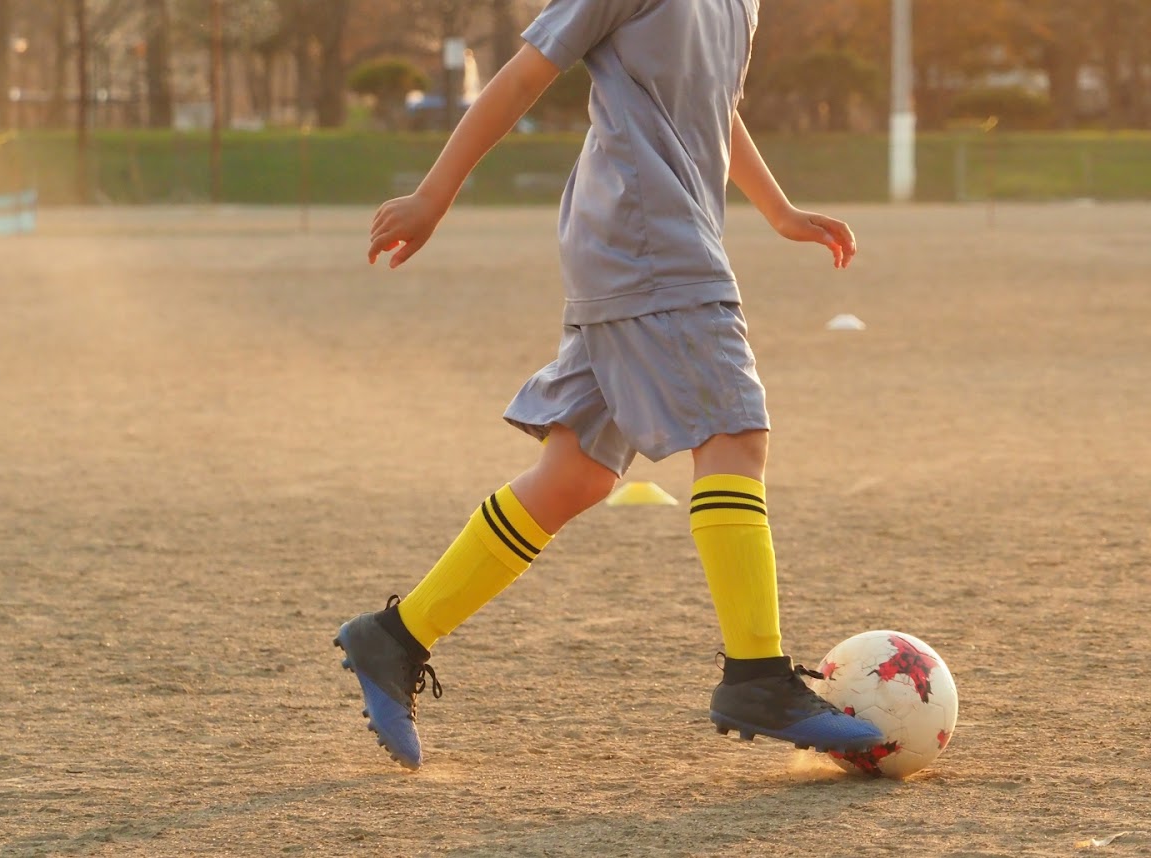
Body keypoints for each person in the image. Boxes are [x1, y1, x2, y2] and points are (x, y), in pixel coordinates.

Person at [335, 0, 882, 770]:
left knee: (578, 473)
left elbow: (711, 103)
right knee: (734, 433)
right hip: (646, 237)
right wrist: (433, 194)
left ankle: (392, 638)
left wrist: (778, 209)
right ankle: (756, 676)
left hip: (644, 237)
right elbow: (525, 72)